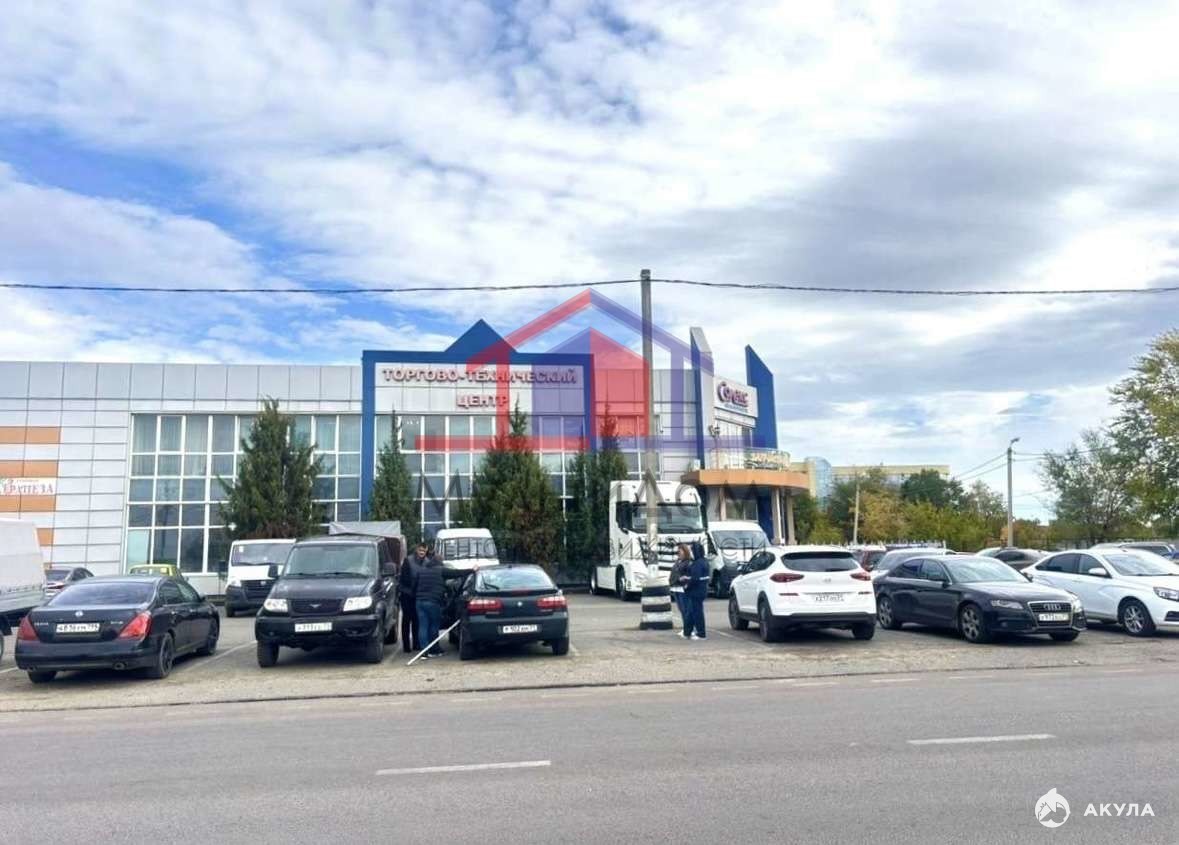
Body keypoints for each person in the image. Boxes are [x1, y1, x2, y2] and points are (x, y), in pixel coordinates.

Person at [413, 544, 447, 659]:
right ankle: (434, 649)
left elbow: (415, 586)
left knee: (423, 626)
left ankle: (424, 651)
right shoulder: (440, 570)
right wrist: (471, 570)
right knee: (434, 625)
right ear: (440, 562)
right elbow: (456, 573)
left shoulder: (422, 570)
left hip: (419, 602)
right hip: (433, 602)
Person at [398, 543, 431, 653]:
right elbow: (404, 578)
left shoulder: (427, 562)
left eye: (424, 551)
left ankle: (416, 643)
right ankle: (406, 645)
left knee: (417, 620)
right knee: (406, 620)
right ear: (417, 550)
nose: (422, 552)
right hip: (407, 594)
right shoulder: (408, 560)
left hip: (419, 595)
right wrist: (411, 588)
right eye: (420, 550)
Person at [682, 540, 711, 640]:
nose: (690, 553)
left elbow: (695, 578)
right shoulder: (703, 561)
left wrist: (687, 585)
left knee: (696, 613)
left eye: (691, 550)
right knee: (691, 613)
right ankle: (687, 632)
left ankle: (701, 633)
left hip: (696, 591)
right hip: (701, 590)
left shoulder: (697, 563)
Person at [669, 544, 691, 634]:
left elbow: (689, 575)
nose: (678, 552)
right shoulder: (678, 561)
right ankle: (686, 627)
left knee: (685, 609)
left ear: (685, 552)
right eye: (678, 551)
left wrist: (684, 579)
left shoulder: (688, 563)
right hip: (676, 587)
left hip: (682, 588)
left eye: (680, 550)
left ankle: (689, 628)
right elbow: (673, 573)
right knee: (681, 609)